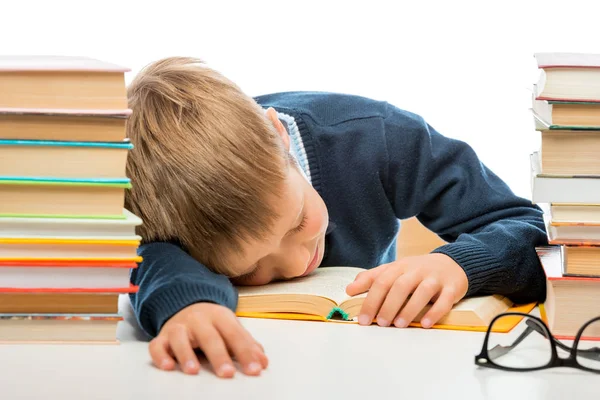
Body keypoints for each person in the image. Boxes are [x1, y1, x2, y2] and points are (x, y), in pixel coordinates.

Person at [124, 57, 548, 378]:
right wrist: (189, 306)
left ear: (279, 136)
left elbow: (528, 228)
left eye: (297, 222)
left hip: (386, 365)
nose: (294, 264)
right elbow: (152, 256)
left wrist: (457, 264)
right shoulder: (175, 206)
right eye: (250, 267)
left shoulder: (377, 137)